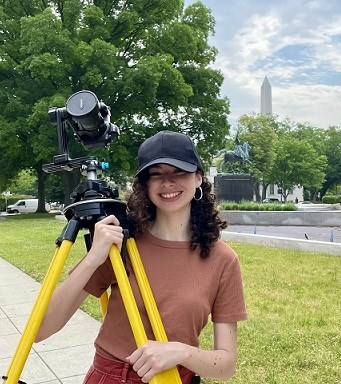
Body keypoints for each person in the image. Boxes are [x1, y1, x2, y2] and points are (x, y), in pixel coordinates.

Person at [35, 130, 247, 384]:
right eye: (156, 174)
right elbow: (40, 330)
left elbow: (226, 365)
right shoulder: (122, 244)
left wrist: (181, 351)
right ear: (145, 184)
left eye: (178, 171)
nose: (167, 182)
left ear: (199, 178)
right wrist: (93, 258)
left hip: (175, 378)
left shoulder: (223, 259)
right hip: (111, 377)